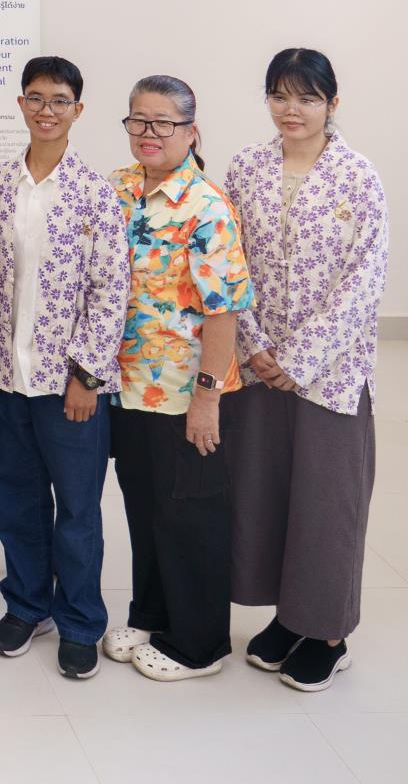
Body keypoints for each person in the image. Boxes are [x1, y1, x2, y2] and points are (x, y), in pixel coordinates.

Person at [223, 49, 388, 692]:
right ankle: (289, 617)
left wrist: (301, 360)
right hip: (258, 364)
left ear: (332, 103)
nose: (291, 110)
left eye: (307, 98)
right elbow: (227, 262)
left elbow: (363, 282)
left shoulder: (359, 176)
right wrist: (254, 345)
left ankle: (327, 634)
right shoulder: (246, 167)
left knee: (327, 501)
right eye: (279, 95)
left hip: (331, 373)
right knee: (265, 491)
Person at [0, 56, 131, 680]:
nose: (46, 110)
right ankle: (27, 605)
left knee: (78, 509)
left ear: (78, 110)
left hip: (71, 386)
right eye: (35, 98)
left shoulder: (95, 193)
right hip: (7, 378)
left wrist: (87, 375)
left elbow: (110, 289)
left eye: (59, 100)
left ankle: (81, 621)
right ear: (20, 104)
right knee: (17, 499)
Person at [105, 74, 253, 681]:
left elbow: (224, 311)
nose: (149, 132)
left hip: (186, 391)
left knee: (190, 517)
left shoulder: (207, 206)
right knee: (145, 510)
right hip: (126, 385)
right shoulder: (118, 188)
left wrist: (206, 400)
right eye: (138, 119)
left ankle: (199, 644)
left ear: (191, 132)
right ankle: (151, 616)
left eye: (163, 122)